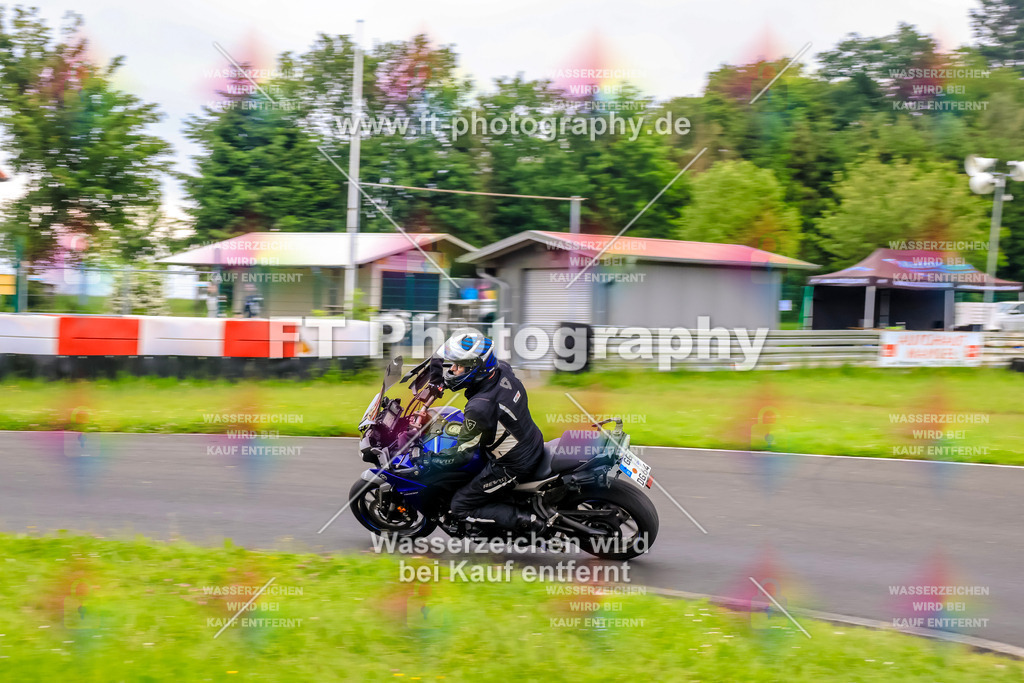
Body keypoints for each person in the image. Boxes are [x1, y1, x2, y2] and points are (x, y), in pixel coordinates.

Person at [423, 332, 545, 533]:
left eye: (458, 366)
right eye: (452, 365)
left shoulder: (480, 407)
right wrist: (439, 380)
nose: (452, 370)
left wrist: (431, 460)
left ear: (475, 369)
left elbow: (462, 454)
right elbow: (458, 371)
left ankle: (528, 521)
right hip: (528, 441)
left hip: (513, 465)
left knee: (460, 505)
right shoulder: (501, 370)